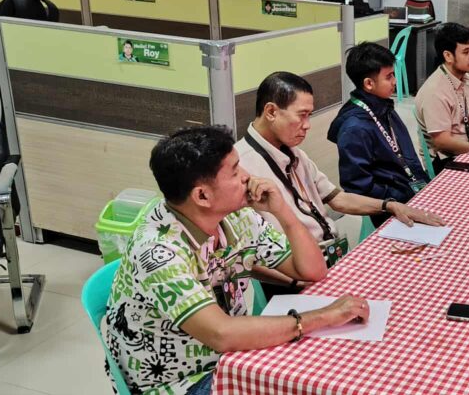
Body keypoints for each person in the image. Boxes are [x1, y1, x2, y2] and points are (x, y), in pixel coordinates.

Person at [103, 125, 371, 395]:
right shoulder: (157, 252)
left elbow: (312, 270)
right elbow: (221, 334)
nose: (247, 177)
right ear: (202, 196)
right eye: (234, 171)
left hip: (228, 356)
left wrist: (282, 212)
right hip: (181, 381)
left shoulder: (235, 216)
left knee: (331, 366)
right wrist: (323, 316)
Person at [236, 71, 442, 283]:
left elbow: (337, 198)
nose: (307, 125)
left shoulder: (293, 152)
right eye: (302, 115)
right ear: (271, 111)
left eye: (309, 115)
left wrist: (390, 206)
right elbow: (244, 255)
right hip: (296, 275)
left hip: (330, 258)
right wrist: (296, 283)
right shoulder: (241, 166)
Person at [328, 43, 431, 227]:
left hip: (413, 191)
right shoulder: (355, 128)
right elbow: (358, 187)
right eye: (389, 76)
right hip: (391, 208)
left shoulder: (383, 106)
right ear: (369, 83)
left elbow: (408, 158)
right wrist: (397, 200)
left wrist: (426, 187)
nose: (395, 81)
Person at [415, 23, 469, 173]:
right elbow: (443, 141)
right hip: (446, 159)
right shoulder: (435, 91)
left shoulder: (468, 80)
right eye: (465, 52)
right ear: (448, 56)